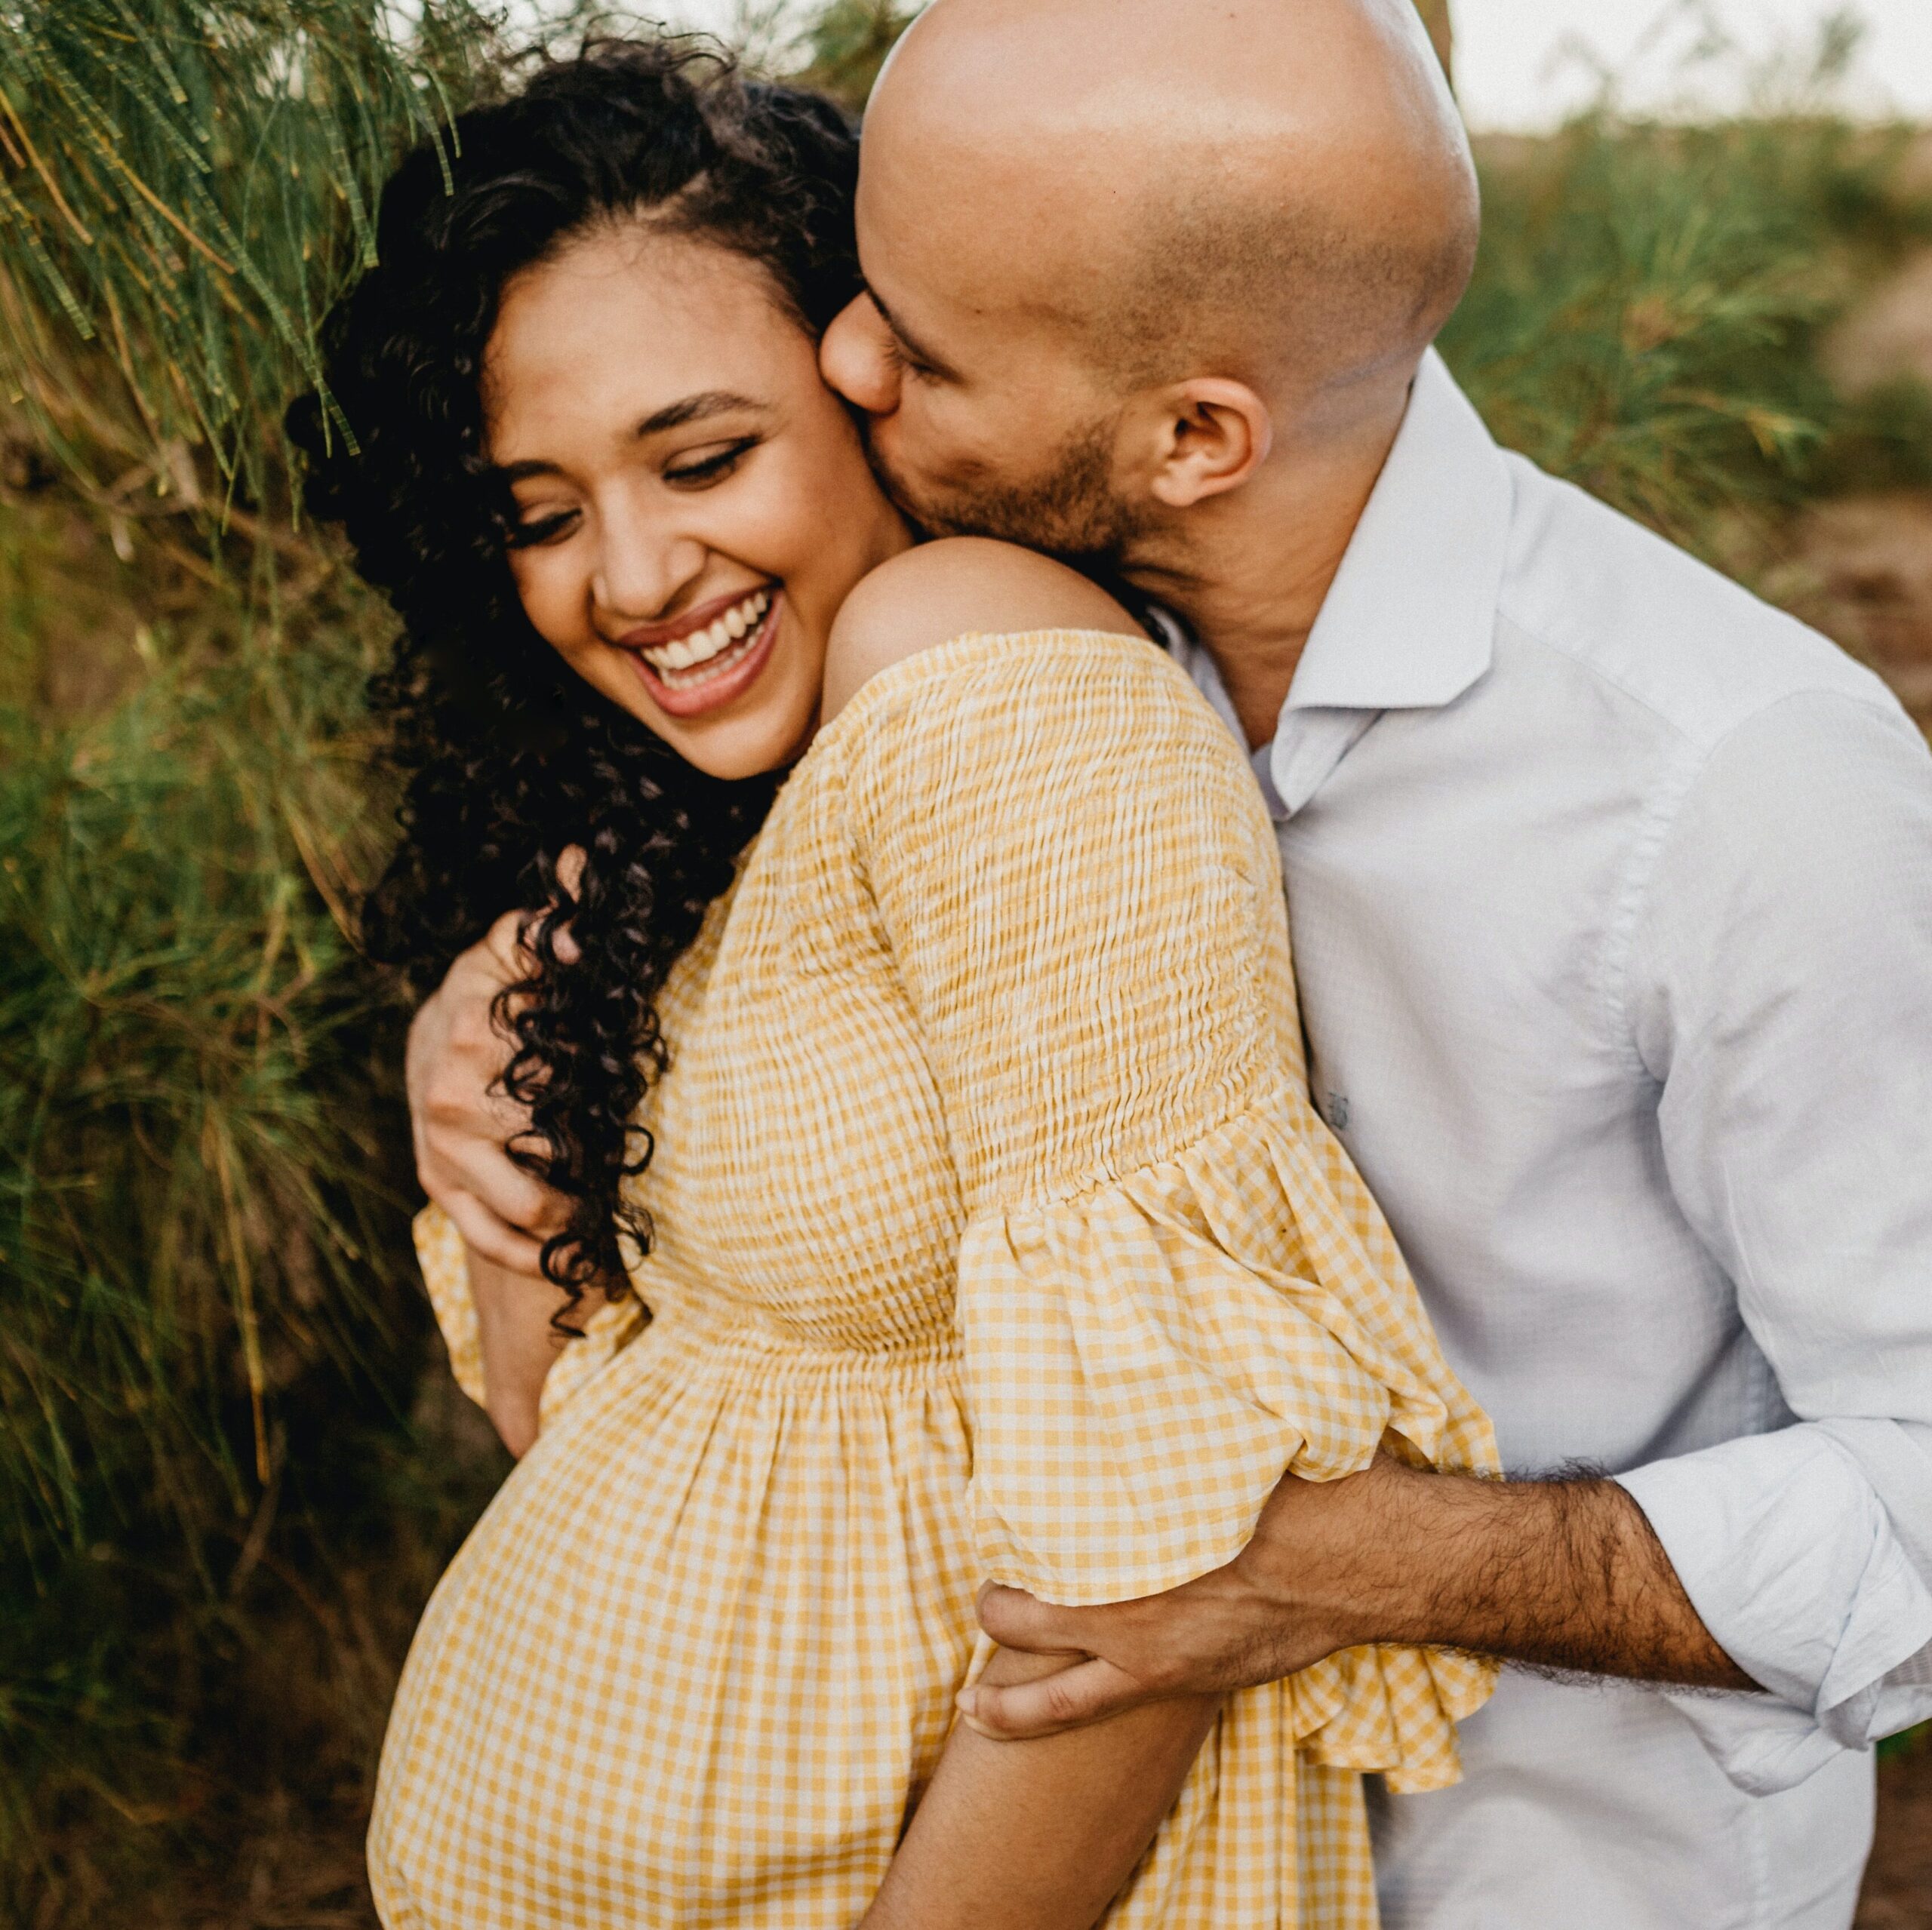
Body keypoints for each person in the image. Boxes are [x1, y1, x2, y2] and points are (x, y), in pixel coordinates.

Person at [415, 2, 1932, 1925]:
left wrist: (1369, 1559)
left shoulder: (1731, 787)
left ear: (1196, 434)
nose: (845, 354)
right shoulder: (960, 660)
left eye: (920, 337)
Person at [294, 39, 1498, 1930]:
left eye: (703, 458)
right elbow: (595, 1435)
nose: (625, 570)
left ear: (874, 392)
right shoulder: (712, 809)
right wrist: (493, 1082)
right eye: (538, 510)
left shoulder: (988, 681)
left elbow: (1153, 1567)